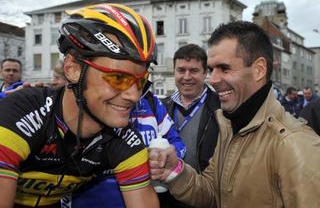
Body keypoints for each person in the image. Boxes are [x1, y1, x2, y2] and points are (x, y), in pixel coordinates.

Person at [0, 3, 160, 207]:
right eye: (118, 77)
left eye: (141, 81)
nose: (134, 96)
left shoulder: (124, 139)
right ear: (73, 69)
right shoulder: (18, 114)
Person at [149, 21, 320, 208]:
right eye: (213, 69)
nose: (213, 80)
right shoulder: (229, 127)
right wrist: (176, 171)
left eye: (225, 68)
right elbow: (210, 193)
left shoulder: (295, 145)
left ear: (258, 70)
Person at [69, 81, 186, 208]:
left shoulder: (152, 101)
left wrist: (167, 158)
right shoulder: (96, 100)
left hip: (147, 195)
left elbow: (177, 142)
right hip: (94, 199)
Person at [161, 43, 220, 207]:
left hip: (204, 197)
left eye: (194, 71)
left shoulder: (221, 108)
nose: (186, 77)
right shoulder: (161, 108)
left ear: (205, 73)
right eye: (181, 70)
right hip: (166, 196)